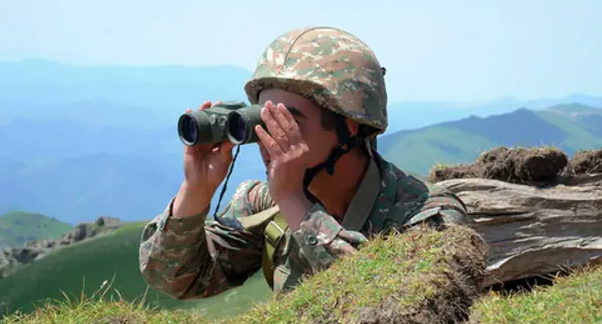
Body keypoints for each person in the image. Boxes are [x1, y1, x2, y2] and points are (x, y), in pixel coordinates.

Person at [138, 26, 470, 299]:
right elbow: (175, 279)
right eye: (263, 121)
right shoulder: (262, 204)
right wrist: (195, 191)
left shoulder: (428, 216)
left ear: (347, 126)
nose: (270, 139)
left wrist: (296, 203)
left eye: (289, 122)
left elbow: (388, 305)